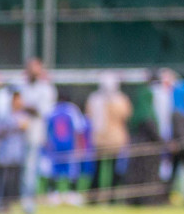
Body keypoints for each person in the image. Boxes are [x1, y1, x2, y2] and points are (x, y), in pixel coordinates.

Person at [15, 57, 56, 214]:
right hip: (16, 135)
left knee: (31, 170)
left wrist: (24, 106)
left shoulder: (45, 89)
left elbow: (42, 111)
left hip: (34, 134)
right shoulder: (20, 86)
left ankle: (28, 203)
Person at [86, 72, 131, 204]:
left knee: (108, 169)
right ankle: (99, 197)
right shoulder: (100, 99)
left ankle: (105, 197)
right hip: (104, 139)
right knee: (101, 169)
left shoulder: (117, 99)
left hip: (109, 139)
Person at [41, 97, 89, 204]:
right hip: (65, 146)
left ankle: (56, 194)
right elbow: (79, 129)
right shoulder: (71, 109)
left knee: (57, 171)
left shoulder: (52, 109)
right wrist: (80, 146)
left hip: (57, 147)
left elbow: (45, 130)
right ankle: (67, 194)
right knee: (66, 171)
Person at [0, 88, 29, 214]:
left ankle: (10, 207)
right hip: (4, 155)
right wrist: (14, 125)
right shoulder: (5, 115)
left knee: (14, 184)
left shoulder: (23, 115)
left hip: (17, 155)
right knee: (3, 182)